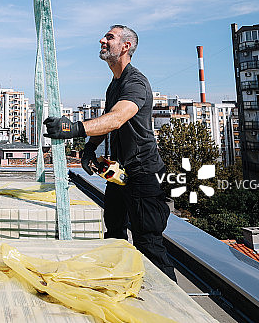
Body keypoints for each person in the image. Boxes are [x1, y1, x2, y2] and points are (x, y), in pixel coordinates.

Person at [43, 24, 176, 282]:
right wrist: (89, 148)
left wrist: (73, 128)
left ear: (126, 46)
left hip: (144, 175)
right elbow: (106, 122)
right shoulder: (114, 84)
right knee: (114, 235)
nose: (101, 40)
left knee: (149, 244)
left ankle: (178, 309)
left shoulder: (135, 82)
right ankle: (121, 285)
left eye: (109, 37)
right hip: (121, 176)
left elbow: (116, 118)